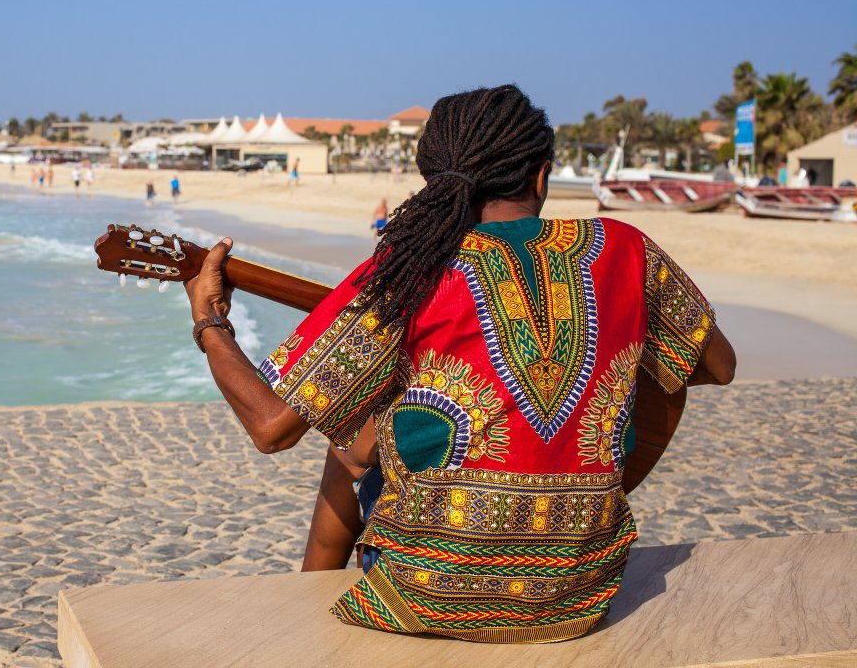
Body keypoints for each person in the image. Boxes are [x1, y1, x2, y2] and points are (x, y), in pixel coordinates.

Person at [184, 85, 735, 643]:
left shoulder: (410, 268)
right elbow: (718, 366)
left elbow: (271, 426)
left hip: (421, 598)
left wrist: (210, 321)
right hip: (577, 597)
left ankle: (307, 600)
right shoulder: (627, 248)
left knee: (350, 443)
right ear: (540, 176)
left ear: (434, 183)